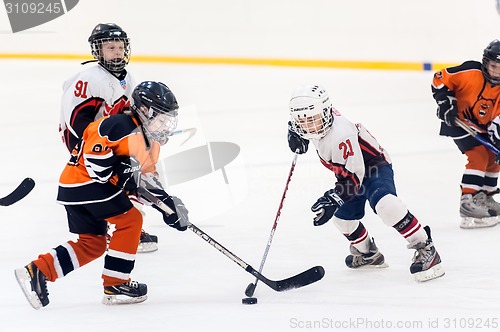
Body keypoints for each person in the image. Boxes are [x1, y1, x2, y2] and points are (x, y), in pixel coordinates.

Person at [15, 81, 188, 309]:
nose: (166, 124)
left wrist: (166, 204)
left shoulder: (151, 143)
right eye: (162, 118)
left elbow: (145, 180)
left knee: (92, 244)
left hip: (75, 189)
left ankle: (38, 270)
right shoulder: (120, 124)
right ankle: (116, 284)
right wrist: (120, 170)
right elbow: (94, 155)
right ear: (144, 111)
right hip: (86, 183)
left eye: (169, 118)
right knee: (131, 220)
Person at [287, 84, 444, 282]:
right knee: (341, 218)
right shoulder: (319, 118)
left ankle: (425, 247)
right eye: (302, 121)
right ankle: (369, 254)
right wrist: (294, 130)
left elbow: (355, 178)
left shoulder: (341, 135)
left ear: (325, 112)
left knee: (387, 205)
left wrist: (335, 197)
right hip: (349, 172)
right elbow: (303, 119)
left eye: (312, 120)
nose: (308, 126)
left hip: (373, 167)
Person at [58, 22, 160, 252]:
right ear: (98, 51)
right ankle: (103, 230)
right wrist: (97, 149)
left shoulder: (127, 78)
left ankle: (127, 227)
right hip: (85, 142)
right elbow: (77, 121)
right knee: (101, 181)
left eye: (120, 47)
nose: (117, 52)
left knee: (132, 174)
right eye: (110, 47)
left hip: (109, 140)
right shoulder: (89, 79)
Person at [432, 40, 500, 229]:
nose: (495, 72)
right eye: (493, 66)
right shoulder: (471, 71)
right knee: (478, 155)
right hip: (458, 122)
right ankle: (468, 202)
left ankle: (484, 198)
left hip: (482, 128)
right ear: (486, 62)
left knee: (494, 156)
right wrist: (446, 103)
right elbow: (439, 78)